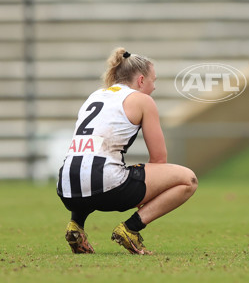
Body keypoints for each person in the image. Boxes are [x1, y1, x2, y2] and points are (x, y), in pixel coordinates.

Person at [57, 48, 198, 255]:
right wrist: (148, 197)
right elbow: (159, 159)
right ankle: (130, 229)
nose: (155, 87)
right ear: (141, 80)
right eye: (153, 80)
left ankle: (75, 225)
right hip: (105, 187)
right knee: (188, 180)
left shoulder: (95, 95)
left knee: (90, 166)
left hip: (66, 188)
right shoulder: (142, 100)